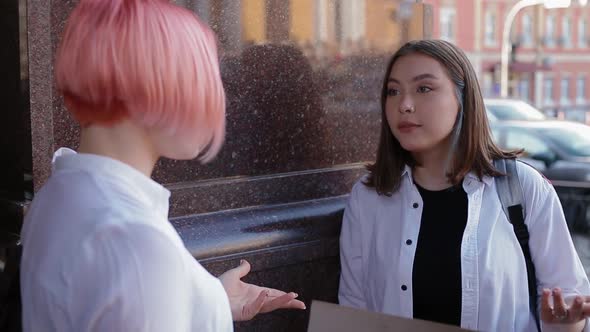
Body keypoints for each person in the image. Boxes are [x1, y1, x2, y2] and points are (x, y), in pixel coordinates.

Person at [20, 0, 304, 331]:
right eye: (200, 79)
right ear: (146, 85)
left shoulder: (58, 196)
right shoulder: (136, 242)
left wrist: (204, 298)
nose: (215, 101)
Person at [338, 39, 590, 331]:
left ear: (463, 98)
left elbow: (568, 301)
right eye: (393, 91)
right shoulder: (368, 198)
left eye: (424, 89)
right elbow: (353, 310)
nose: (404, 105)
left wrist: (565, 323)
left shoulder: (524, 188)